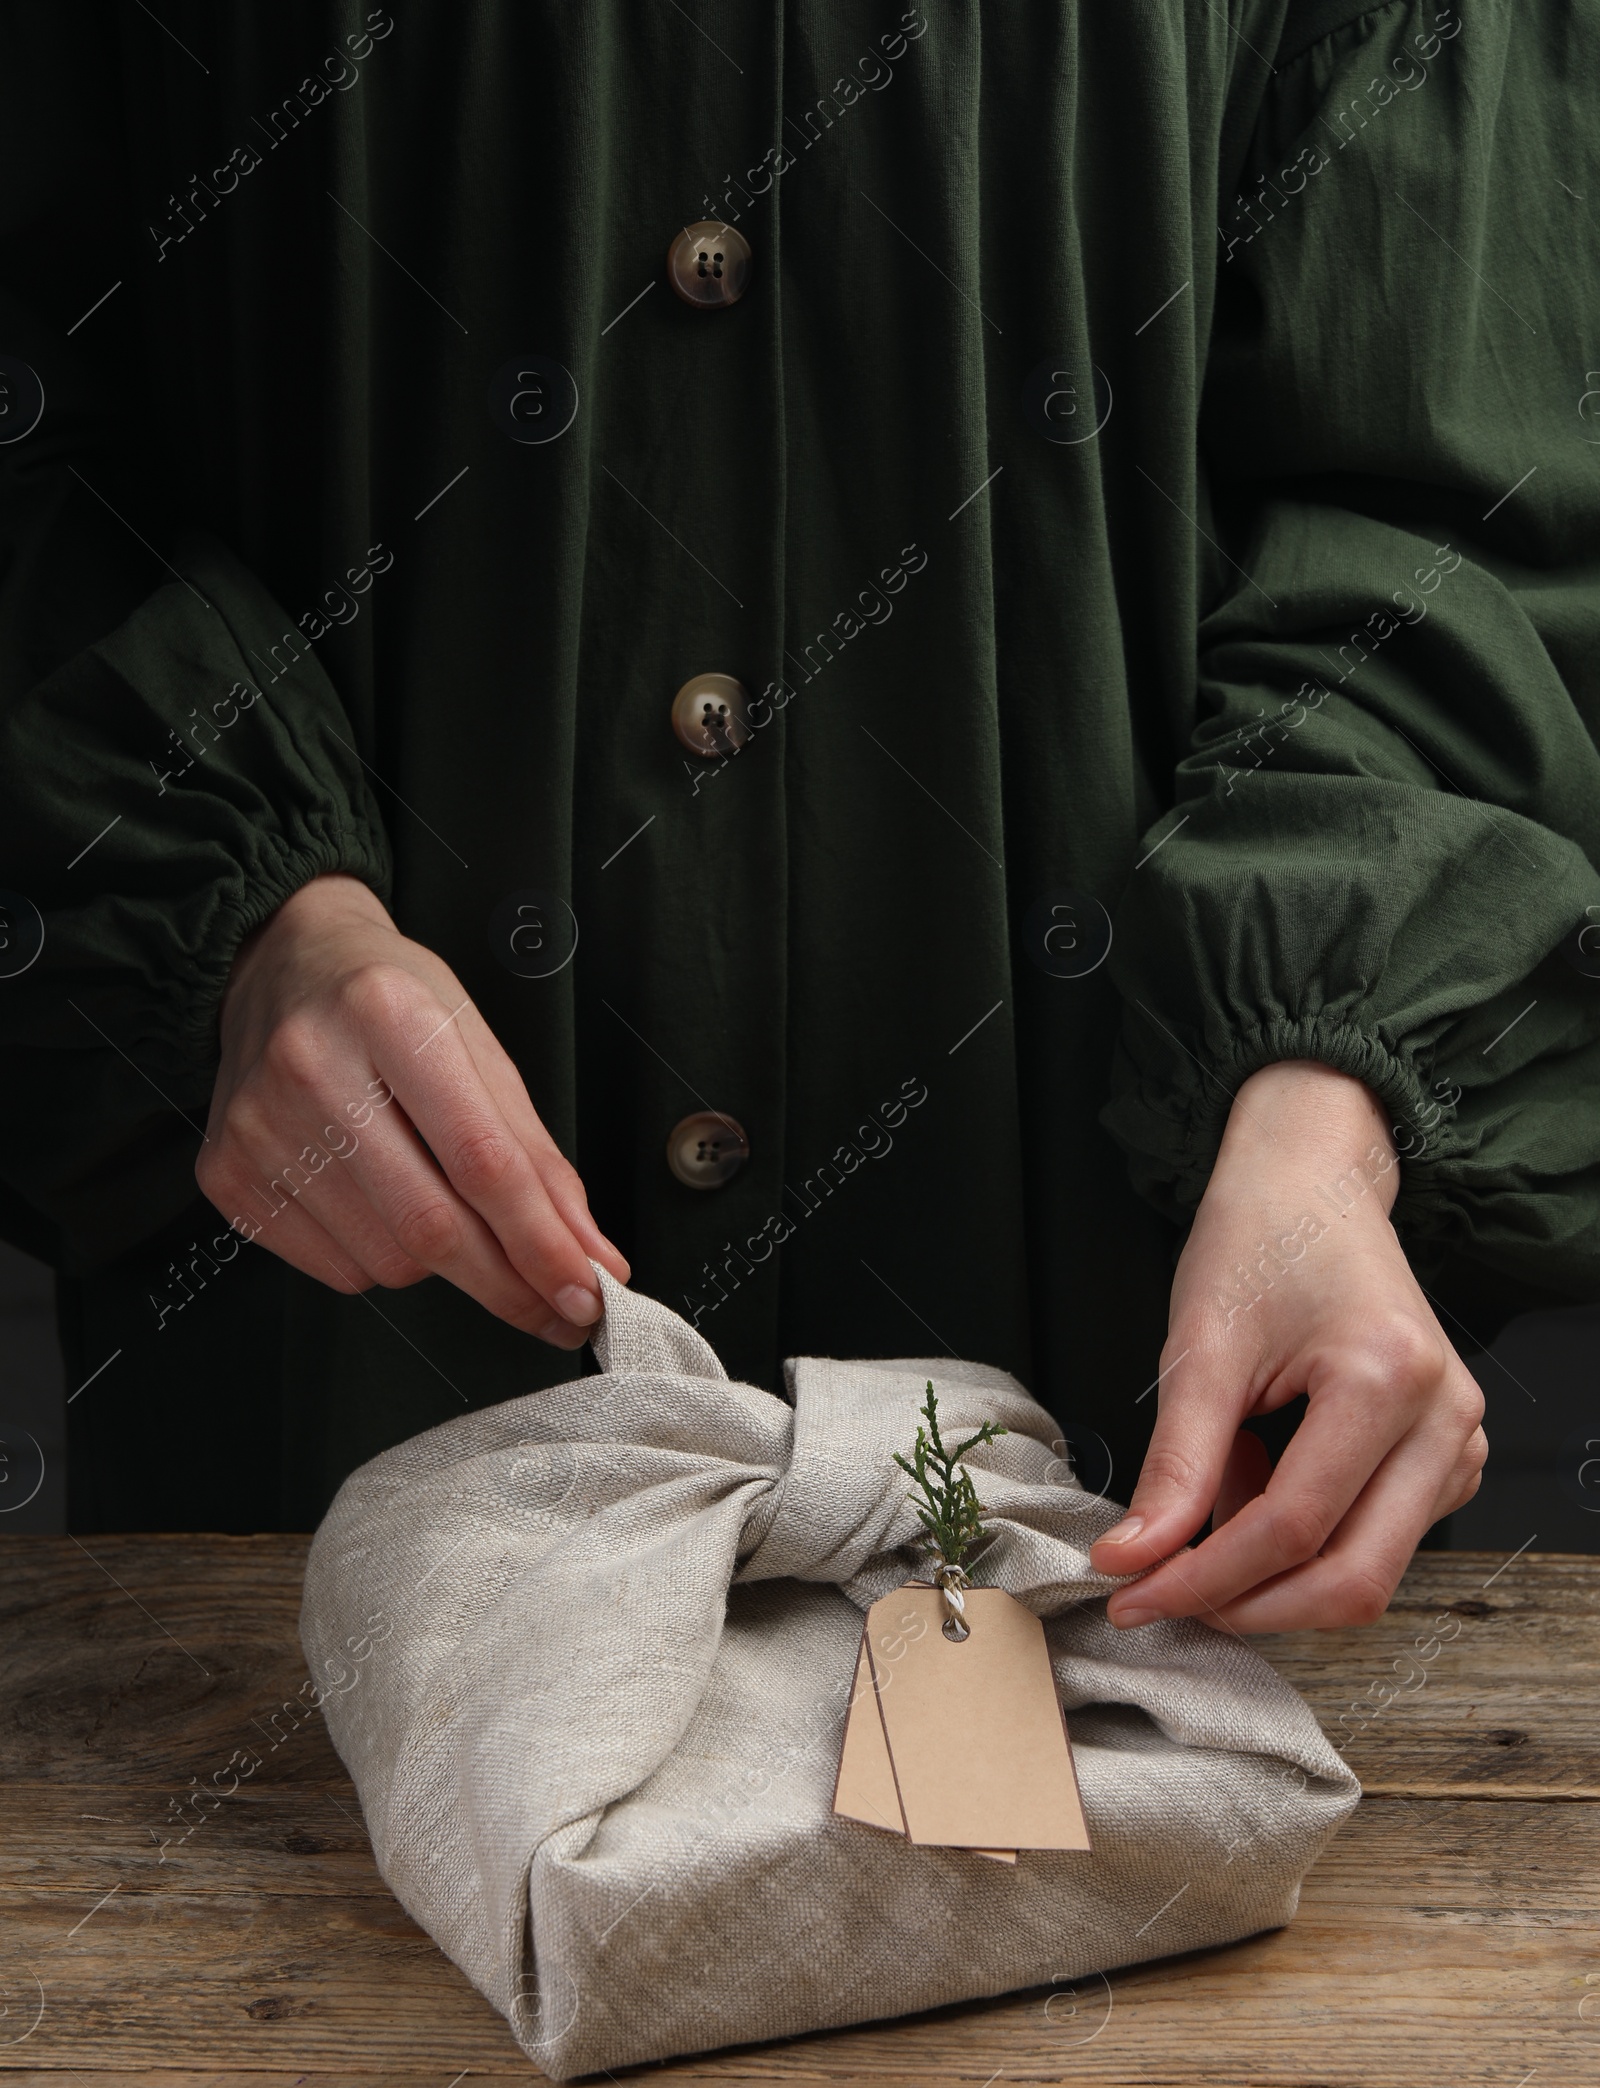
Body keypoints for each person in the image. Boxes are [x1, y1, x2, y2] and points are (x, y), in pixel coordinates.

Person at [2, 1, 1596, 1635]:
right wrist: (240, 916)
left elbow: (1457, 487)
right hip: (327, 1480)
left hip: (1151, 1520)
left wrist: (1324, 1100)